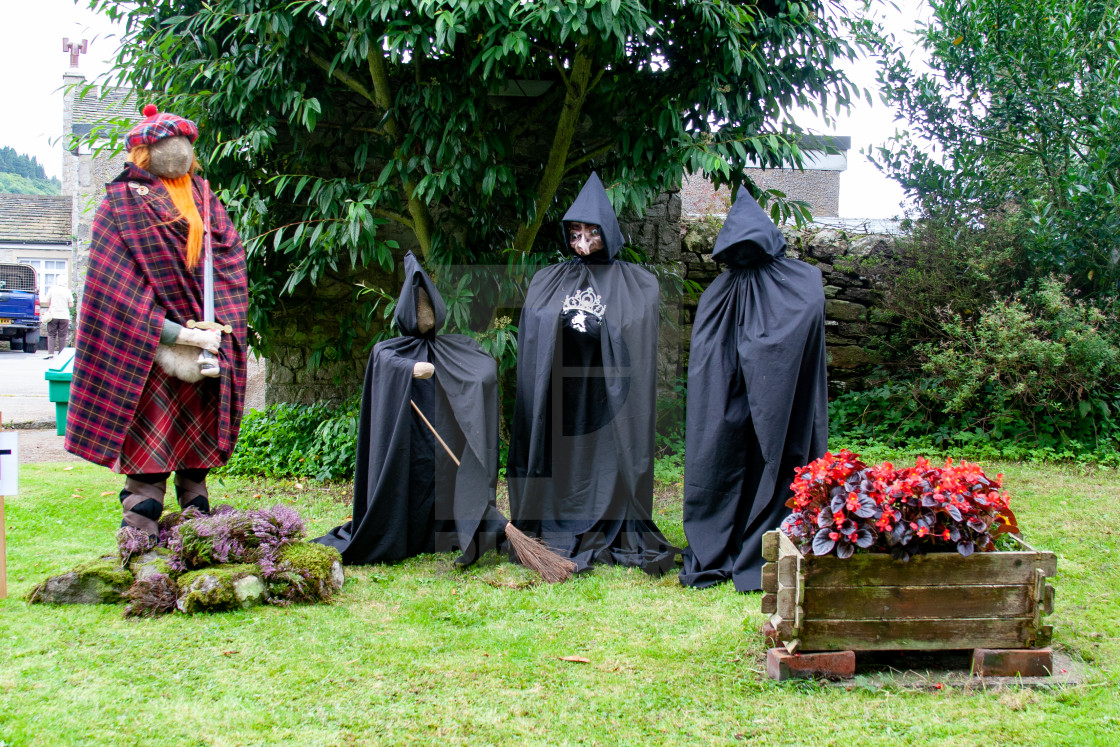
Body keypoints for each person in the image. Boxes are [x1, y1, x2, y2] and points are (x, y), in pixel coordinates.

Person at [65, 105, 248, 542]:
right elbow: (115, 289)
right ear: (144, 153)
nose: (177, 151)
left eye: (184, 142)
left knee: (195, 451)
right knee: (149, 450)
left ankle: (199, 536)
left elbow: (230, 265)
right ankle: (140, 538)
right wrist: (176, 333)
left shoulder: (205, 199)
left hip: (204, 351)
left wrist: (216, 329)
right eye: (166, 143)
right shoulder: (120, 204)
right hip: (148, 353)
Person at [507, 172, 677, 575]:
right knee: (559, 454)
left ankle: (610, 518)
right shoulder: (548, 280)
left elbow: (633, 339)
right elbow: (536, 336)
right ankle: (552, 515)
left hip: (606, 399)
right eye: (575, 233)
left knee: (605, 457)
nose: (582, 243)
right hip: (560, 395)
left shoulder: (637, 285)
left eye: (591, 233)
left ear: (608, 233)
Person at [679, 186, 828, 592]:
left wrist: (766, 360)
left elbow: (802, 323)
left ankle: (768, 537)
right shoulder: (719, 292)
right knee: (720, 447)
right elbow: (710, 353)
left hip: (782, 389)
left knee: (779, 451)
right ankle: (720, 541)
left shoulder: (801, 280)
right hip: (726, 388)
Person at [42, 275, 74, 358]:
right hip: (64, 316)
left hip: (53, 315)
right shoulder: (67, 291)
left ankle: (50, 353)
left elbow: (46, 301)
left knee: (51, 334)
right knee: (62, 336)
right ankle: (61, 354)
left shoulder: (52, 289)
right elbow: (71, 305)